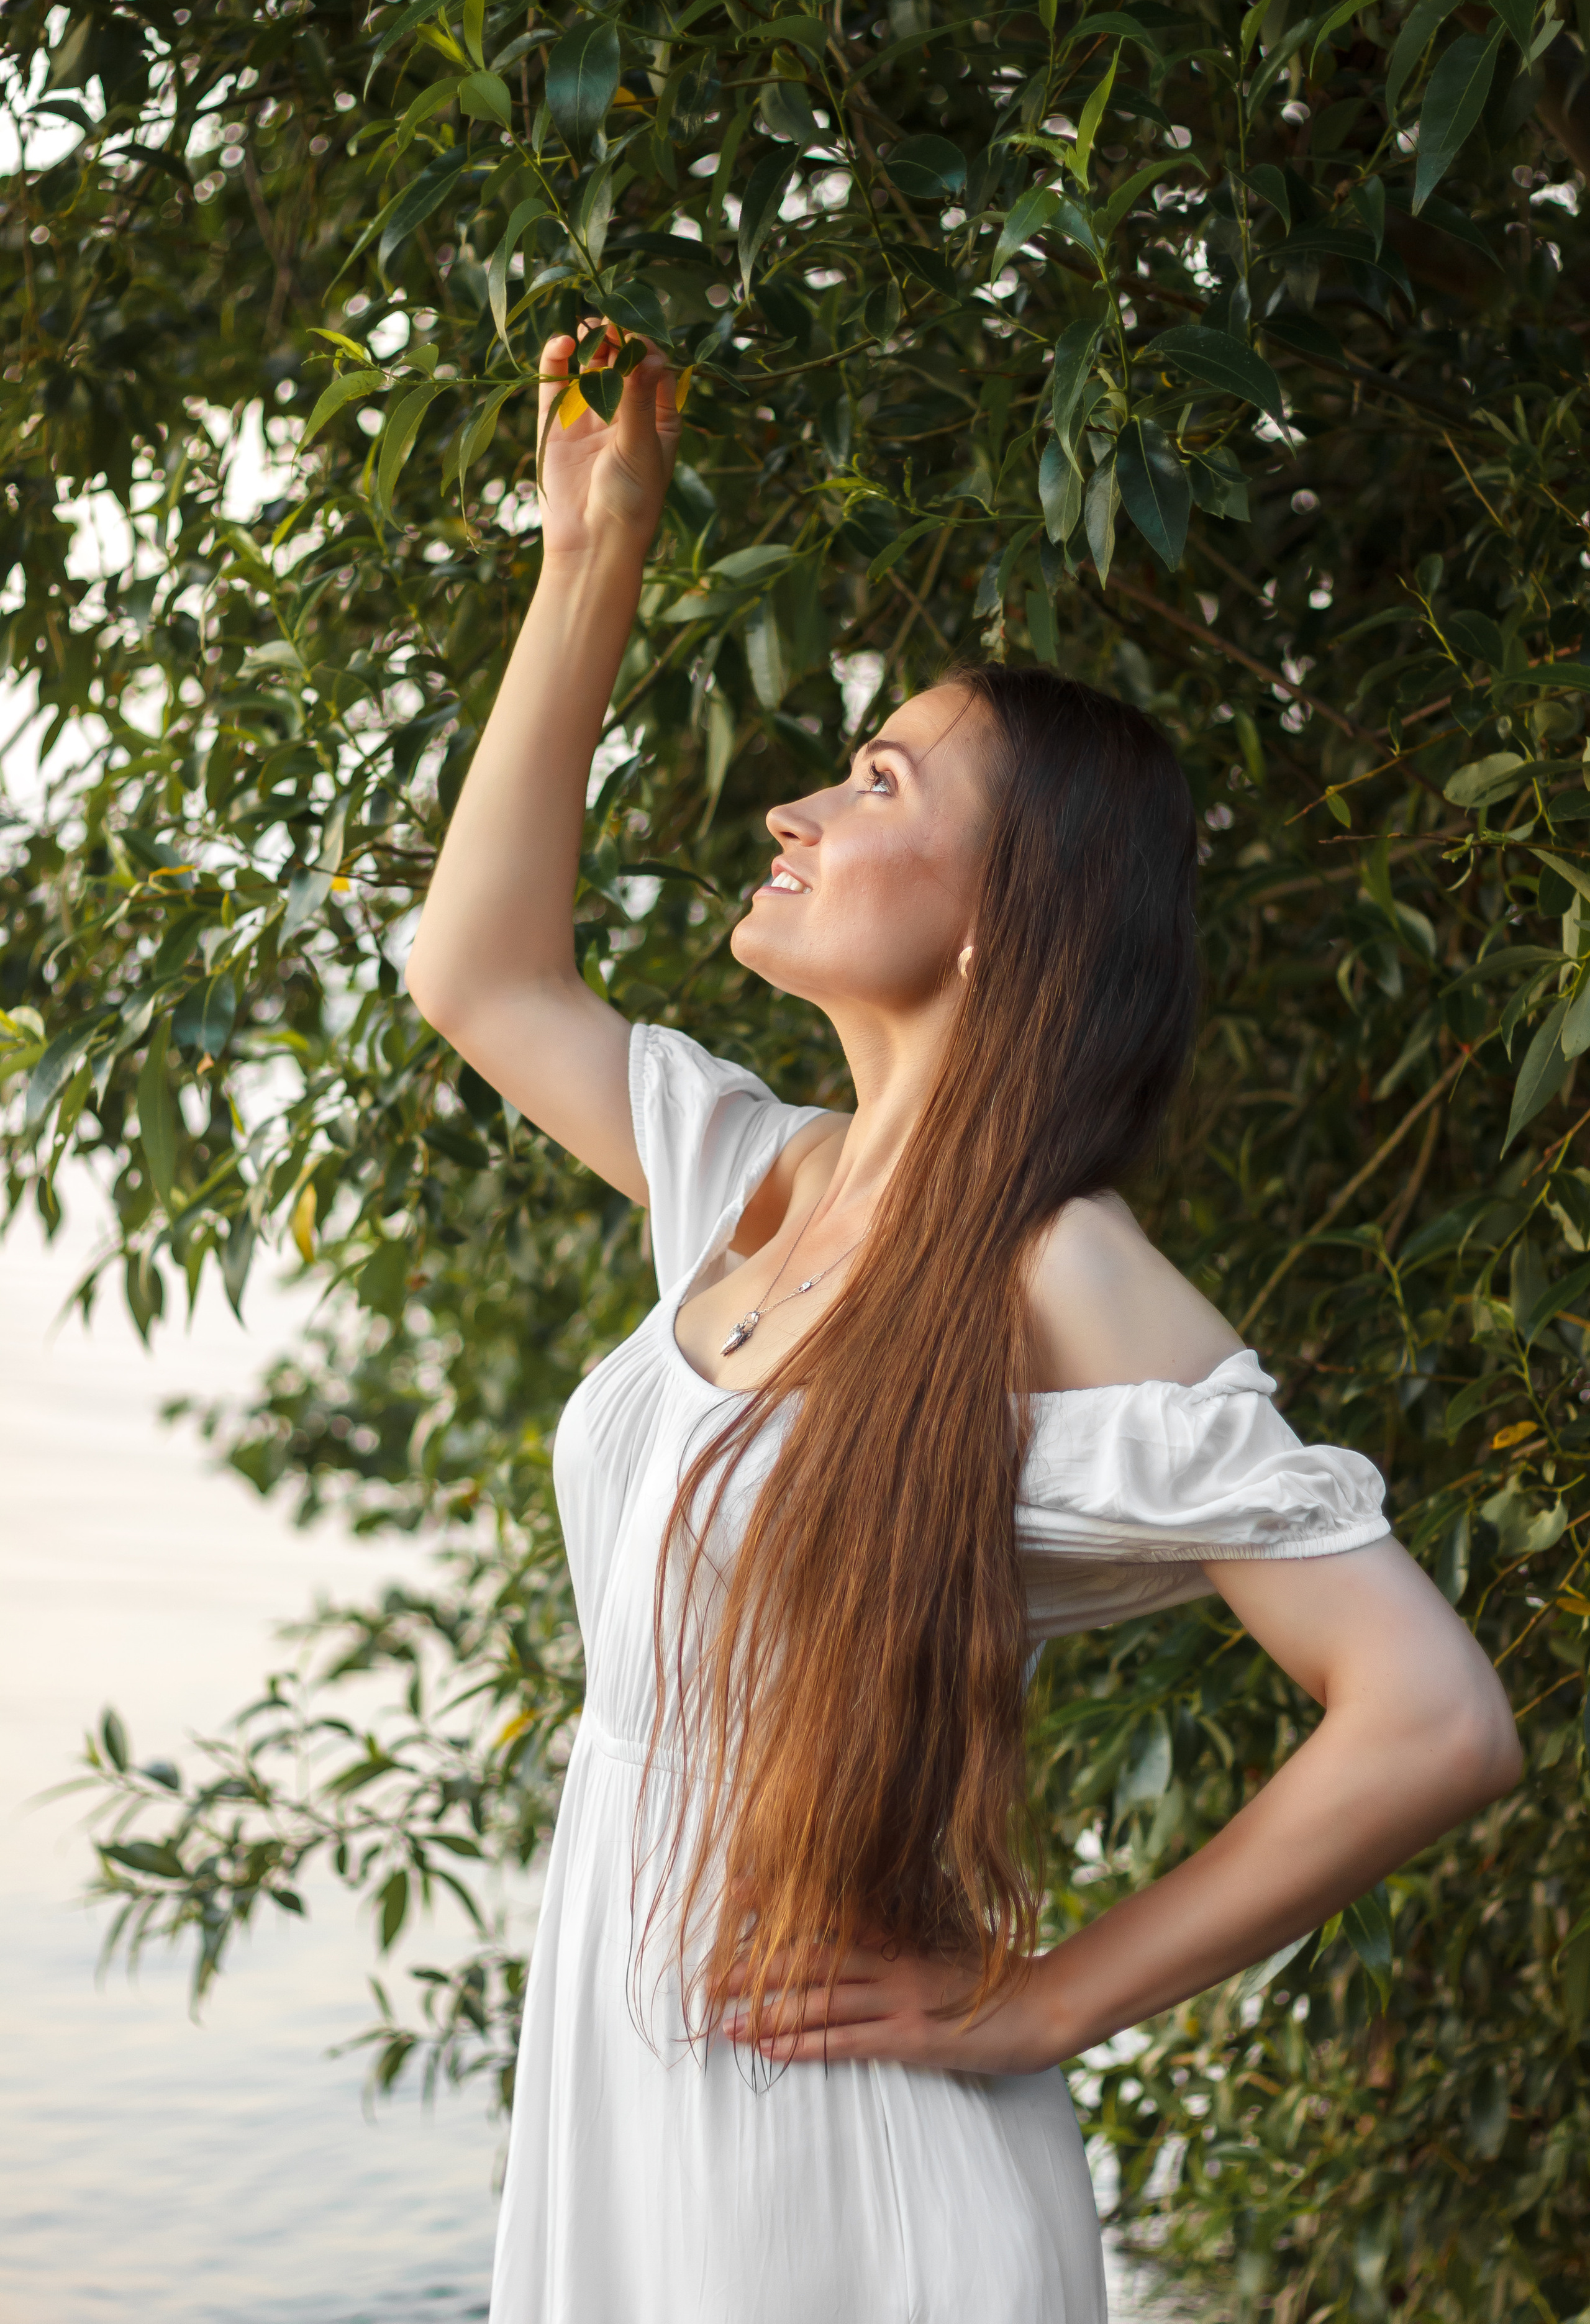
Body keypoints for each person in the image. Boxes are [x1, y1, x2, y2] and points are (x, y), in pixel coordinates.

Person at [403, 325, 1521, 2324]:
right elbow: (476, 969)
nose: (801, 811)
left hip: (848, 2155)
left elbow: (1434, 1717)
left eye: (881, 778)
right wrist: (592, 561)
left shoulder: (1053, 1262)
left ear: (1008, 908)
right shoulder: (765, 1183)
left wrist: (1037, 2009)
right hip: (644, 2092)